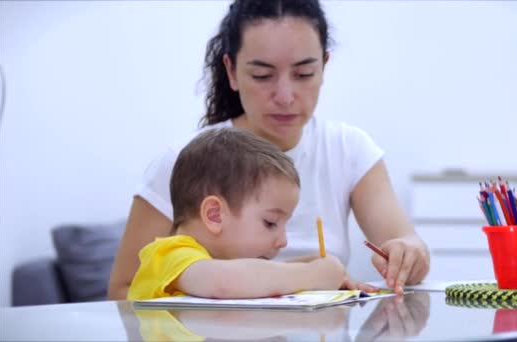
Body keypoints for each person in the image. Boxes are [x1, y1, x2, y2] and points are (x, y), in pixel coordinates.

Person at [109, 0, 430, 300]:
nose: (285, 95)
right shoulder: (188, 161)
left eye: (304, 73)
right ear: (232, 72)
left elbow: (406, 243)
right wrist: (311, 276)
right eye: (262, 75)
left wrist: (408, 253)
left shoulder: (350, 149)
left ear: (324, 67)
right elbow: (126, 291)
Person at [127, 127, 346, 301]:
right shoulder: (170, 256)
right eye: (271, 223)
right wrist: (311, 275)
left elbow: (247, 276)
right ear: (215, 215)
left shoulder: (213, 262)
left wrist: (313, 266)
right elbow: (223, 282)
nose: (283, 242)